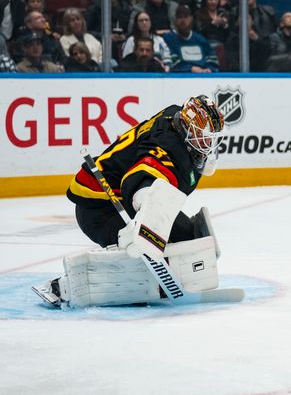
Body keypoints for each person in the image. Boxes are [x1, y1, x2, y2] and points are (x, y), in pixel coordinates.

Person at [35, 95, 226, 307]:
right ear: (188, 129)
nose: (209, 143)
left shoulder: (175, 118)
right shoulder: (165, 147)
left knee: (188, 237)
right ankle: (65, 287)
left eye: (211, 138)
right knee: (139, 252)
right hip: (100, 209)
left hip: (116, 200)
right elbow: (139, 182)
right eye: (204, 137)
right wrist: (146, 221)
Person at [165, 6, 219, 73]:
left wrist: (209, 69)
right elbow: (171, 60)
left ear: (191, 19)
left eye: (185, 17)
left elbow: (211, 57)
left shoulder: (200, 39)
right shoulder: (168, 38)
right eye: (180, 17)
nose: (183, 20)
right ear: (175, 20)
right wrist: (191, 69)